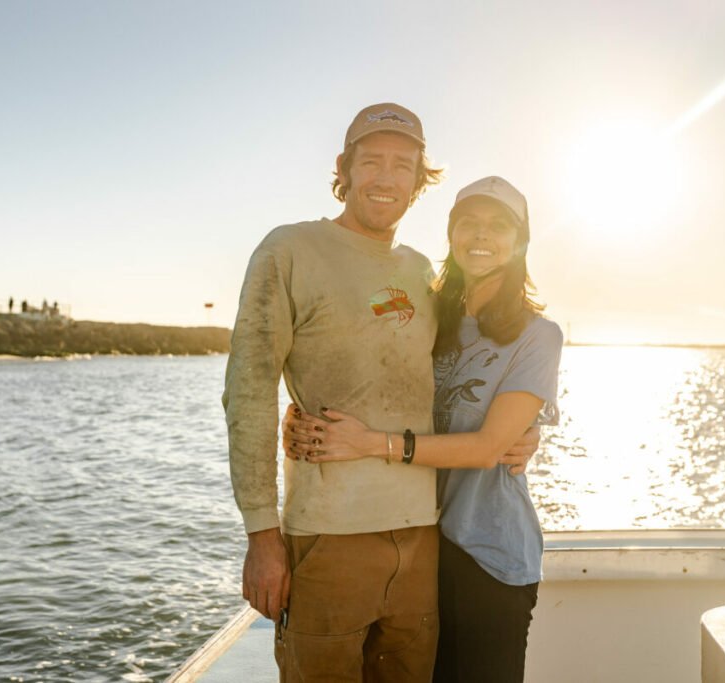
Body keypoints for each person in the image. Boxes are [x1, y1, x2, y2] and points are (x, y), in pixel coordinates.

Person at [223, 104, 538, 682]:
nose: (386, 178)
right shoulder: (289, 250)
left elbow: (461, 376)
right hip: (328, 536)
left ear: (419, 183)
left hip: (423, 540)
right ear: (344, 168)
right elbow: (247, 394)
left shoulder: (422, 274)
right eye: (371, 162)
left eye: (402, 166)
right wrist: (262, 535)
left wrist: (524, 432)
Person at [285, 176, 562, 682]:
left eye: (499, 225)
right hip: (420, 548)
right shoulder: (428, 313)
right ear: (451, 233)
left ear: (520, 241)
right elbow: (352, 337)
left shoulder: (538, 335)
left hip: (491, 555)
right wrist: (304, 410)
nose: (481, 235)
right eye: (468, 222)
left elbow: (488, 448)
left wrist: (371, 444)